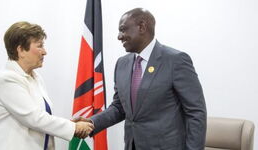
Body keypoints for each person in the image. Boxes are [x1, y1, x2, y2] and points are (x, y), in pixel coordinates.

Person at [76, 8, 207, 150]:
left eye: (123, 30)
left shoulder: (175, 60)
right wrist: (91, 123)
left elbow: (196, 112)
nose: (119, 36)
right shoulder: (122, 64)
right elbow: (119, 107)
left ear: (142, 27)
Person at [0, 21, 93, 150]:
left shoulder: (36, 78)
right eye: (39, 46)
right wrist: (73, 128)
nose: (44, 52)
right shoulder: (6, 79)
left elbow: (41, 118)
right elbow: (34, 118)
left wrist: (68, 124)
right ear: (20, 50)